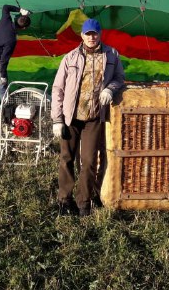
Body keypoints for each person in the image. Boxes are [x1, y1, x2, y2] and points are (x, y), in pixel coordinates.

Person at [51, 18, 125, 217]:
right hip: (71, 117)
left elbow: (120, 78)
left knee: (89, 160)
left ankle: (84, 201)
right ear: (82, 35)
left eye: (95, 33)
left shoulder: (111, 55)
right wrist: (57, 119)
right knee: (66, 158)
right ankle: (64, 200)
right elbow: (58, 88)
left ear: (100, 35)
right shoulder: (70, 58)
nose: (91, 37)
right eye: (88, 34)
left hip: (94, 117)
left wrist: (110, 89)